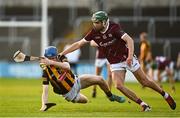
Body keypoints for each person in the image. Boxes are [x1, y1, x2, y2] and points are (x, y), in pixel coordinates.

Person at [59, 11, 176, 111]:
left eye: (97, 22)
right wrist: (63, 53)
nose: (95, 25)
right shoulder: (94, 32)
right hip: (114, 62)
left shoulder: (114, 28)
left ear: (104, 22)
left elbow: (129, 40)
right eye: (94, 22)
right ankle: (143, 105)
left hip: (126, 57)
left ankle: (165, 95)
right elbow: (79, 44)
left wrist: (130, 56)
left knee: (144, 81)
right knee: (118, 86)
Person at [39, 46, 125, 111]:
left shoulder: (61, 57)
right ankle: (78, 95)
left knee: (100, 79)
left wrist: (51, 62)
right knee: (86, 101)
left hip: (76, 81)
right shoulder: (45, 71)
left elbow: (67, 67)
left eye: (52, 58)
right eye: (49, 58)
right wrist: (44, 105)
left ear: (56, 56)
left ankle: (110, 96)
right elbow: (45, 90)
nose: (50, 60)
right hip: (69, 94)